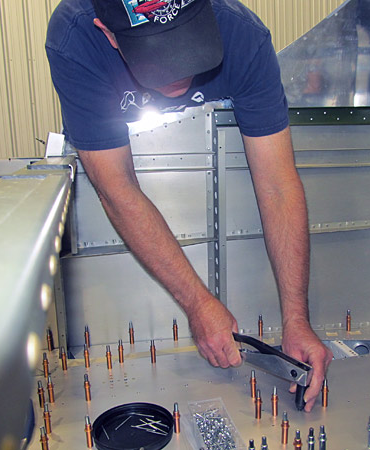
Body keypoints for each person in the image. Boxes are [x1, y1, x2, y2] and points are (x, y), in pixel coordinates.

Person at [46, 0, 332, 411]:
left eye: (189, 49)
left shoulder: (242, 35)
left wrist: (297, 321)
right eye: (159, 61)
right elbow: (117, 189)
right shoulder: (76, 39)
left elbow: (277, 185)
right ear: (108, 34)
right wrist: (198, 303)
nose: (180, 74)